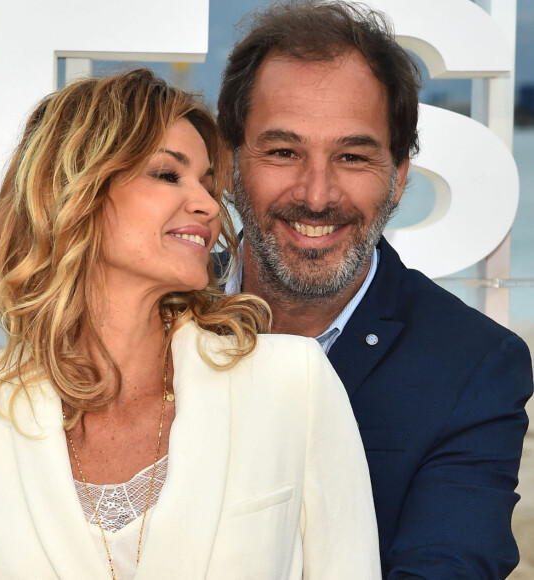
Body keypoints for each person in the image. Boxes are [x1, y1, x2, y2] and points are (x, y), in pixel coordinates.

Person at [0, 68, 381, 579]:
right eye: (166, 174)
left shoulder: (293, 380)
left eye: (206, 182)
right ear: (73, 192)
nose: (206, 204)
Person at [216, 1, 534, 578]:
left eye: (353, 156)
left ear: (399, 177)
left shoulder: (471, 366)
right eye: (284, 151)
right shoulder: (152, 316)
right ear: (230, 160)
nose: (316, 194)